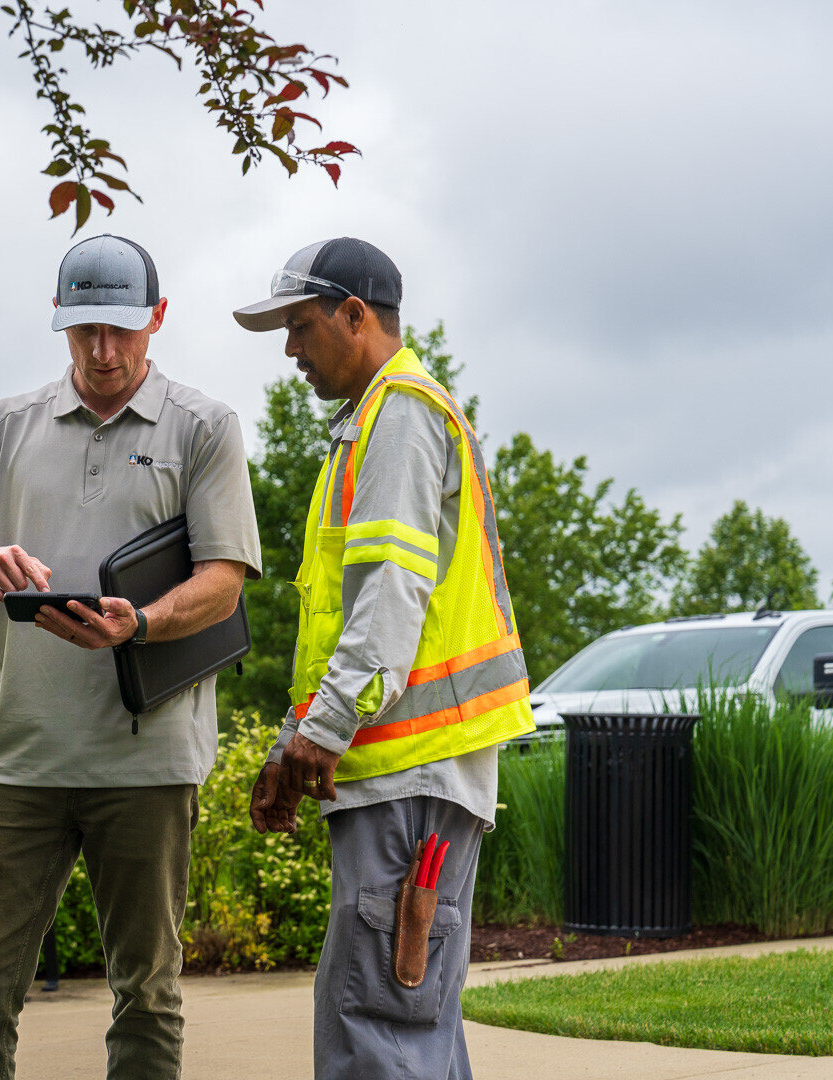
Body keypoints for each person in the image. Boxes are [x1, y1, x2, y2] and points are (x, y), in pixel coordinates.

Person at [0, 234, 262, 1080]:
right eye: (84, 333)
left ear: (157, 319)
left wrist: (139, 624)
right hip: (20, 758)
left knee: (146, 994)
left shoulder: (206, 428)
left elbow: (224, 581)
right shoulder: (4, 426)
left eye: (120, 330)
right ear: (60, 324)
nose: (103, 352)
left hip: (146, 762)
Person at [233, 238, 536, 1079]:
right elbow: (349, 619)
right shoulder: (376, 421)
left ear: (355, 316)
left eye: (299, 326)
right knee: (405, 1027)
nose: (290, 350)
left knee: (381, 1030)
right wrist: (298, 738)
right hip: (407, 775)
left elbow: (391, 598)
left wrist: (321, 732)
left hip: (410, 778)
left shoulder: (399, 414)